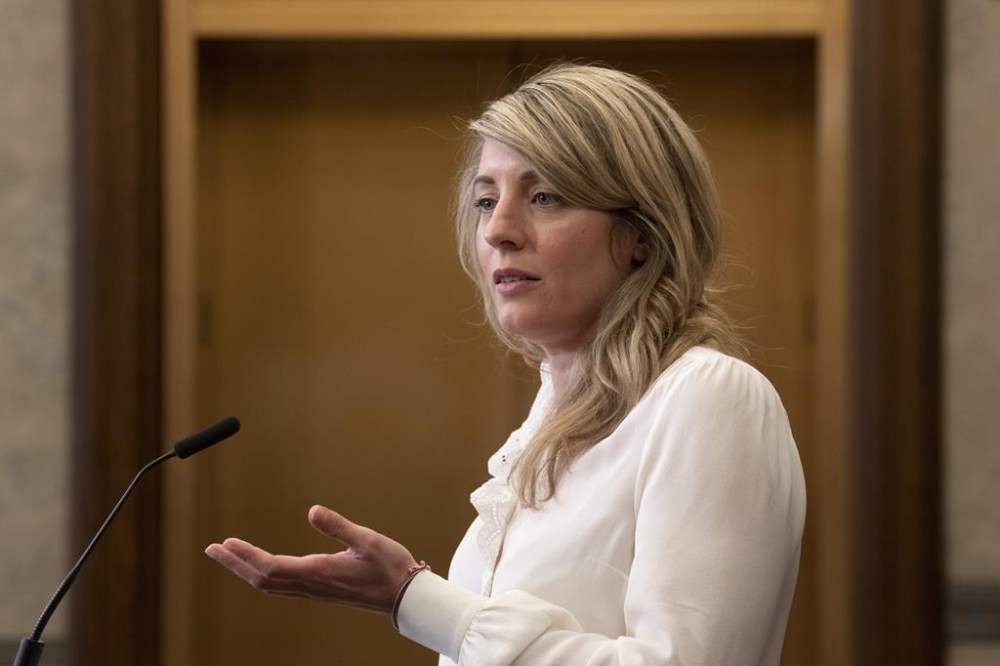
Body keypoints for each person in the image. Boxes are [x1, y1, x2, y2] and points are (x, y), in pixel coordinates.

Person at [205, 63, 806, 665]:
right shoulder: (553, 415)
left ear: (643, 232)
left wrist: (414, 599)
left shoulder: (709, 395)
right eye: (485, 200)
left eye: (546, 197)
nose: (499, 230)